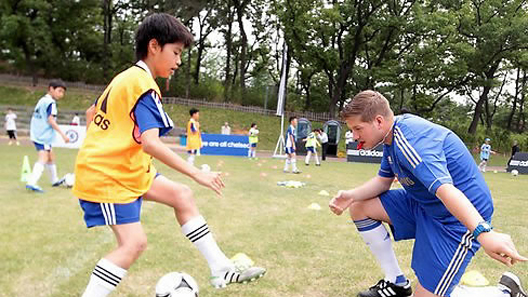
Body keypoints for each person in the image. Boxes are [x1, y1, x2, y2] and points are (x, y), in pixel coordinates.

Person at [73, 14, 265, 297]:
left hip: (128, 169)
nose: (178, 61)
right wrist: (198, 172)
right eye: (175, 52)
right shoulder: (142, 85)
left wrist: (104, 144)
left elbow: (92, 113)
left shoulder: (127, 77)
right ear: (154, 46)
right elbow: (151, 143)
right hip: (109, 176)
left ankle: (221, 266)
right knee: (133, 243)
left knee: (182, 195)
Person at [329, 90, 526, 297]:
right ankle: (397, 283)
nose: (355, 136)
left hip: (457, 219)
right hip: (425, 204)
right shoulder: (390, 136)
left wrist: (484, 233)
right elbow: (383, 181)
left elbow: (446, 190)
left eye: (358, 128)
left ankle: (504, 293)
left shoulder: (412, 140)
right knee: (360, 207)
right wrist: (351, 196)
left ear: (378, 121)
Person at [25, 80, 70, 193]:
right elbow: (50, 120)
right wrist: (63, 134)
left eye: (63, 92)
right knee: (43, 157)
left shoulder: (42, 100)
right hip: (42, 135)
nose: (61, 94)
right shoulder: (51, 103)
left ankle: (54, 180)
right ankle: (32, 181)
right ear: (51, 89)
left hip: (38, 132)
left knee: (51, 156)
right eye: (59, 91)